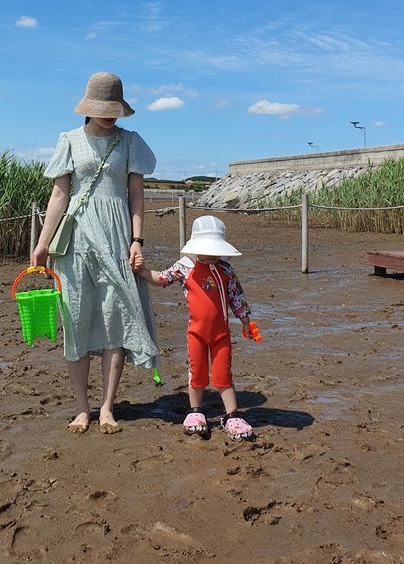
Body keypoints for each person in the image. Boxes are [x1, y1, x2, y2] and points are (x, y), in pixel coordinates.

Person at [31, 72, 159, 434]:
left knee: (115, 318)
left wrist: (138, 240)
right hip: (74, 244)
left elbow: (136, 196)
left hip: (117, 236)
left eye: (114, 109)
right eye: (104, 109)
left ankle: (106, 407)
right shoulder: (69, 141)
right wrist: (42, 244)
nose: (110, 116)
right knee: (77, 322)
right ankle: (82, 409)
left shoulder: (130, 142)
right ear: (88, 108)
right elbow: (59, 196)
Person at [137, 215, 255, 441]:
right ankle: (196, 411)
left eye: (216, 251)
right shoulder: (185, 267)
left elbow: (237, 297)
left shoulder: (225, 270)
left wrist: (246, 323)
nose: (212, 255)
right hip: (196, 335)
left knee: (223, 375)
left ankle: (231, 415)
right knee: (197, 373)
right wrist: (142, 271)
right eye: (208, 250)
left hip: (221, 335)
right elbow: (162, 278)